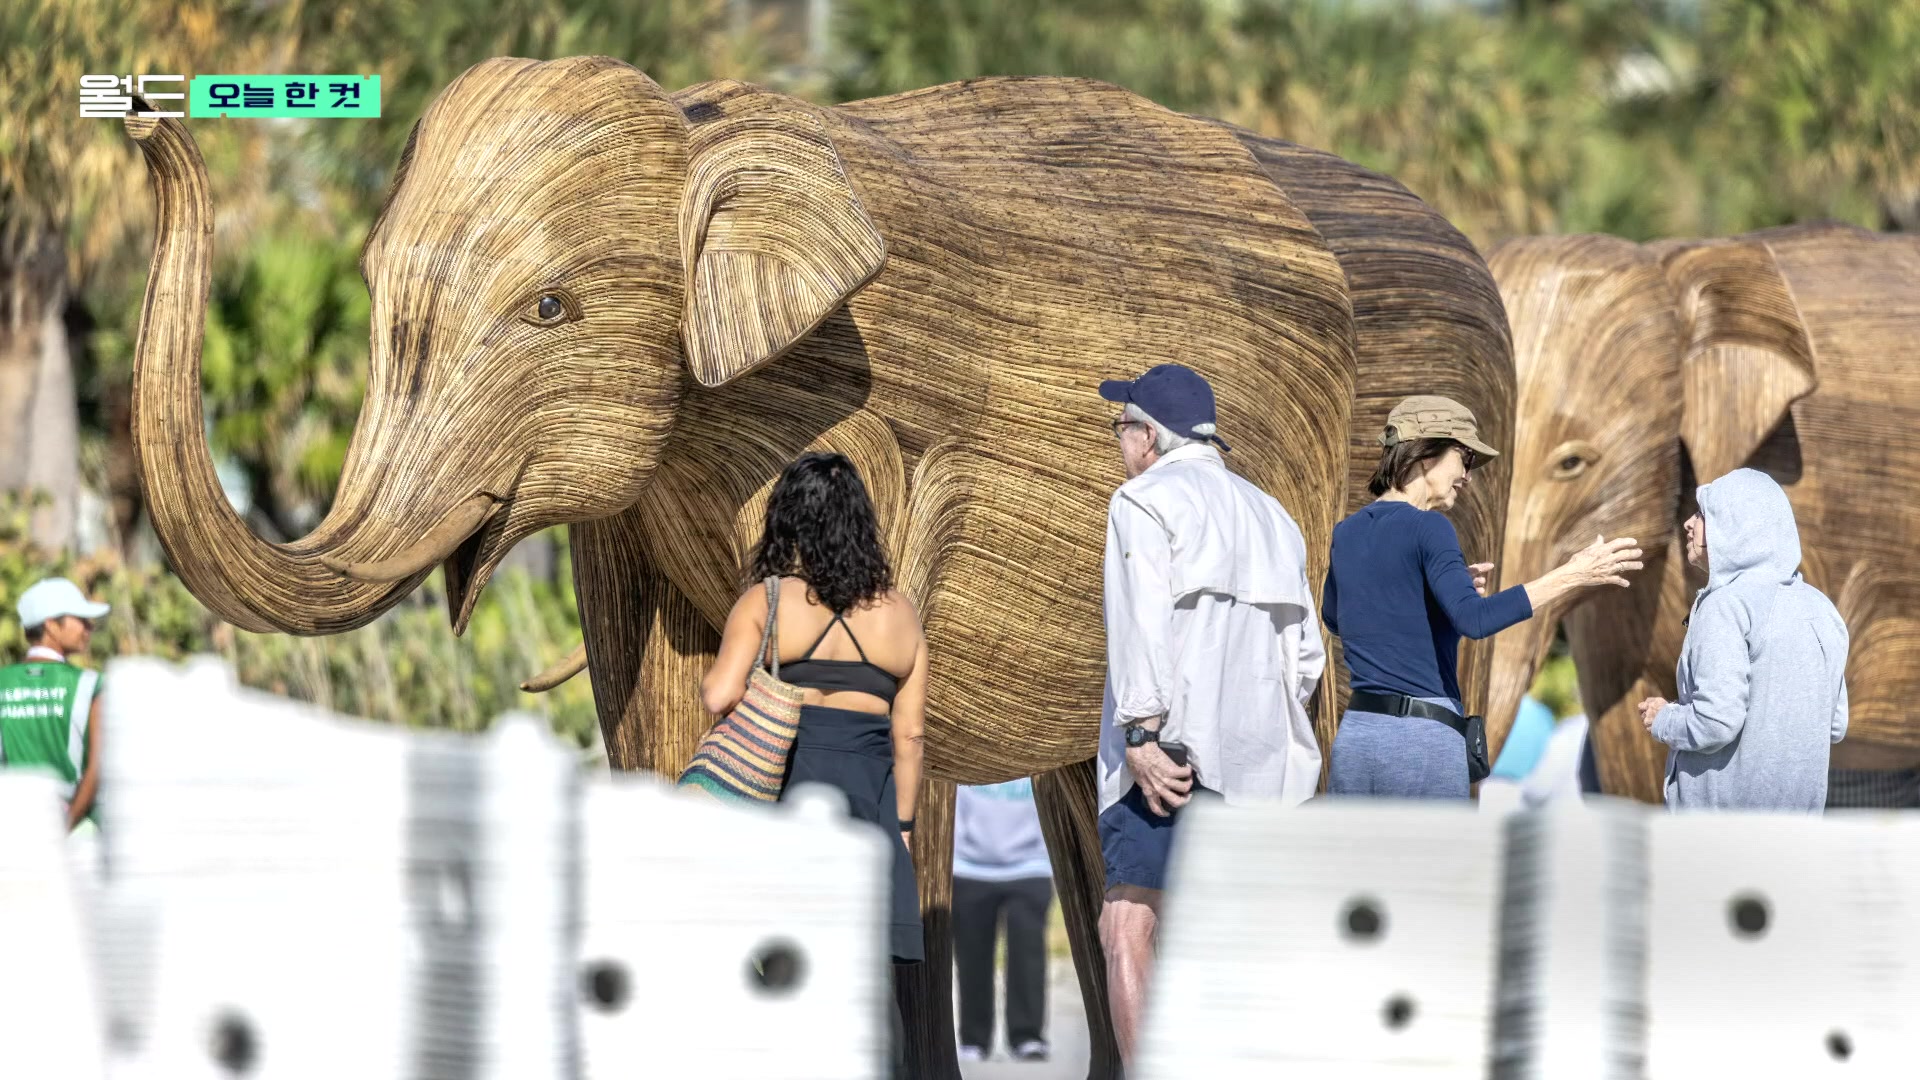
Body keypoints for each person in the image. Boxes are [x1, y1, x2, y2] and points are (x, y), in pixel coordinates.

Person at [1095, 363, 1325, 1066]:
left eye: (1121, 426)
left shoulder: (1141, 502)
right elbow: (1307, 659)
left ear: (1150, 436)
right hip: (1263, 761)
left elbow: (1139, 626)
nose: (1118, 442)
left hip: (1170, 758)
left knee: (1128, 923)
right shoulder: (1273, 515)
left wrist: (1139, 735)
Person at [1323, 396, 1643, 798]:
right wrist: (1574, 573)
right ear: (1425, 454)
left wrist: (1428, 597)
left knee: (1354, 861)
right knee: (1437, 863)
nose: (1468, 475)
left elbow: (1336, 617)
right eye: (1465, 457)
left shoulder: (1346, 533)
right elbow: (1476, 621)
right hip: (1420, 744)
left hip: (1357, 735)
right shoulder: (1430, 529)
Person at [700, 452, 927, 966]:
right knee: (867, 980)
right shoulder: (901, 615)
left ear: (791, 520)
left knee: (791, 968)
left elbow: (719, 695)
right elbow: (910, 736)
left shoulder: (767, 601)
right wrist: (905, 828)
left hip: (789, 799)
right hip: (870, 806)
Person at [1638, 468, 1848, 811]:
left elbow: (1717, 722)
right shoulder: (1822, 609)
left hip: (1722, 842)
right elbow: (1835, 724)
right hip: (1798, 840)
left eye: (1703, 514)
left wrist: (1664, 719)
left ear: (1738, 527)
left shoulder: (1726, 605)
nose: (1689, 524)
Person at [952, 779, 1053, 1064]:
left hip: (1031, 865)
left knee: (1028, 955)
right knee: (971, 957)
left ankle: (1027, 1035)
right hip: (969, 866)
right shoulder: (962, 752)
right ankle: (974, 1038)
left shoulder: (1042, 748)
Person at [0, 577, 110, 831]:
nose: (89, 628)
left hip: (14, 830)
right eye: (81, 620)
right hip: (79, 832)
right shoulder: (90, 684)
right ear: (51, 625)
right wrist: (66, 826)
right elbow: (97, 767)